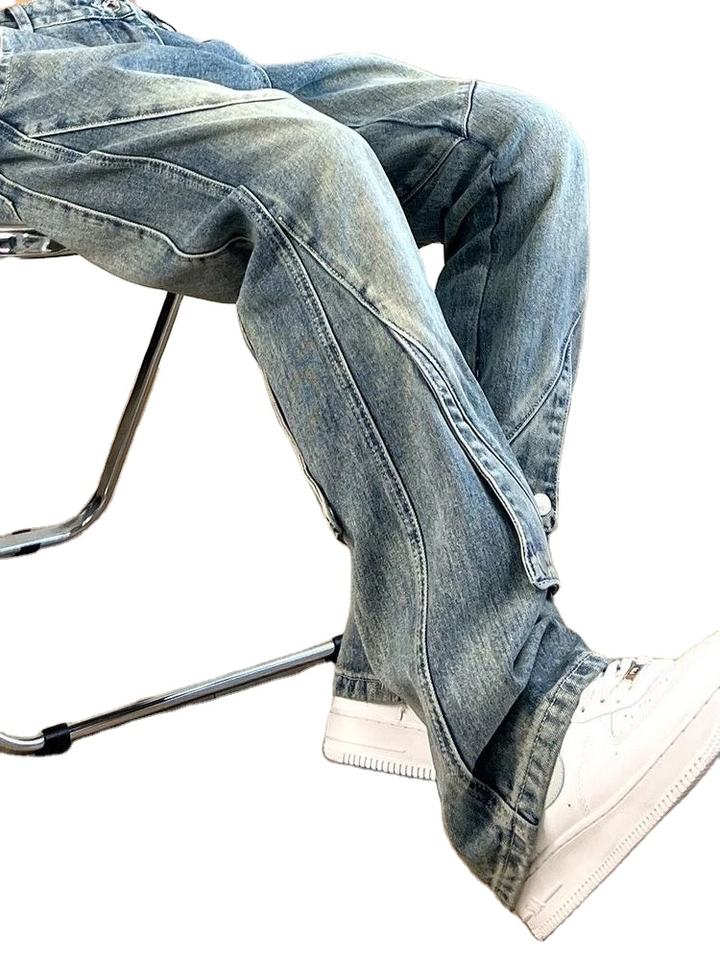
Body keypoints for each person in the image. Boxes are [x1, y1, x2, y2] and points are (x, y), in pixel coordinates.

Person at [1, 0, 718, 939]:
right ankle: (518, 734)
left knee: (524, 149)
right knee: (311, 172)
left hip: (124, 34)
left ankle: (410, 673)